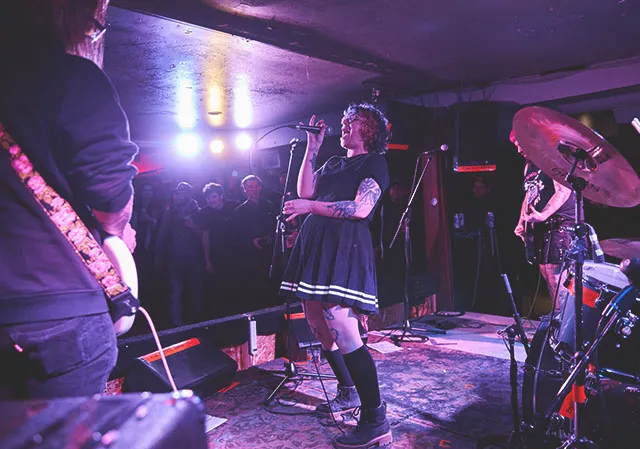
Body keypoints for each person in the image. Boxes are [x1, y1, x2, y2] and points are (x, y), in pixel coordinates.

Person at [0, 0, 138, 399]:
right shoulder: (70, 77)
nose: (88, 35)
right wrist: (117, 235)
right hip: (57, 313)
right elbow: (109, 191)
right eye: (93, 24)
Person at [280, 103, 392, 448]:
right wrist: (312, 151)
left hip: (344, 247)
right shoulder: (333, 162)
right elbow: (307, 191)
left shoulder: (372, 162)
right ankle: (348, 391)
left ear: (369, 131)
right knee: (316, 323)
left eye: (352, 122)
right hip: (316, 246)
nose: (344, 126)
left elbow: (360, 208)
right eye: (344, 121)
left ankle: (376, 418)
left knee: (343, 327)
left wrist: (309, 208)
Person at [511, 129, 575, 314]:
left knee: (557, 275)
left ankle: (565, 324)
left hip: (561, 224)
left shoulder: (553, 158)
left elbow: (564, 190)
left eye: (519, 144)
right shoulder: (529, 166)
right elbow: (529, 193)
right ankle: (559, 318)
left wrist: (543, 215)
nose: (518, 150)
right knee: (547, 274)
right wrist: (521, 221)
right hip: (542, 227)